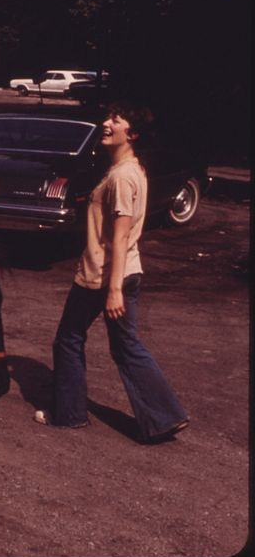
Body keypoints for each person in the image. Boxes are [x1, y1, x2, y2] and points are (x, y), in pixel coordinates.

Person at [35, 102, 188, 443]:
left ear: (131, 134)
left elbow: (118, 237)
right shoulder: (131, 169)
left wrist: (113, 289)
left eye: (116, 120)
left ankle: (69, 414)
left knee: (69, 340)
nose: (107, 123)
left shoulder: (121, 177)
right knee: (126, 346)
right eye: (108, 117)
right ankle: (165, 417)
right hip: (124, 271)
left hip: (102, 275)